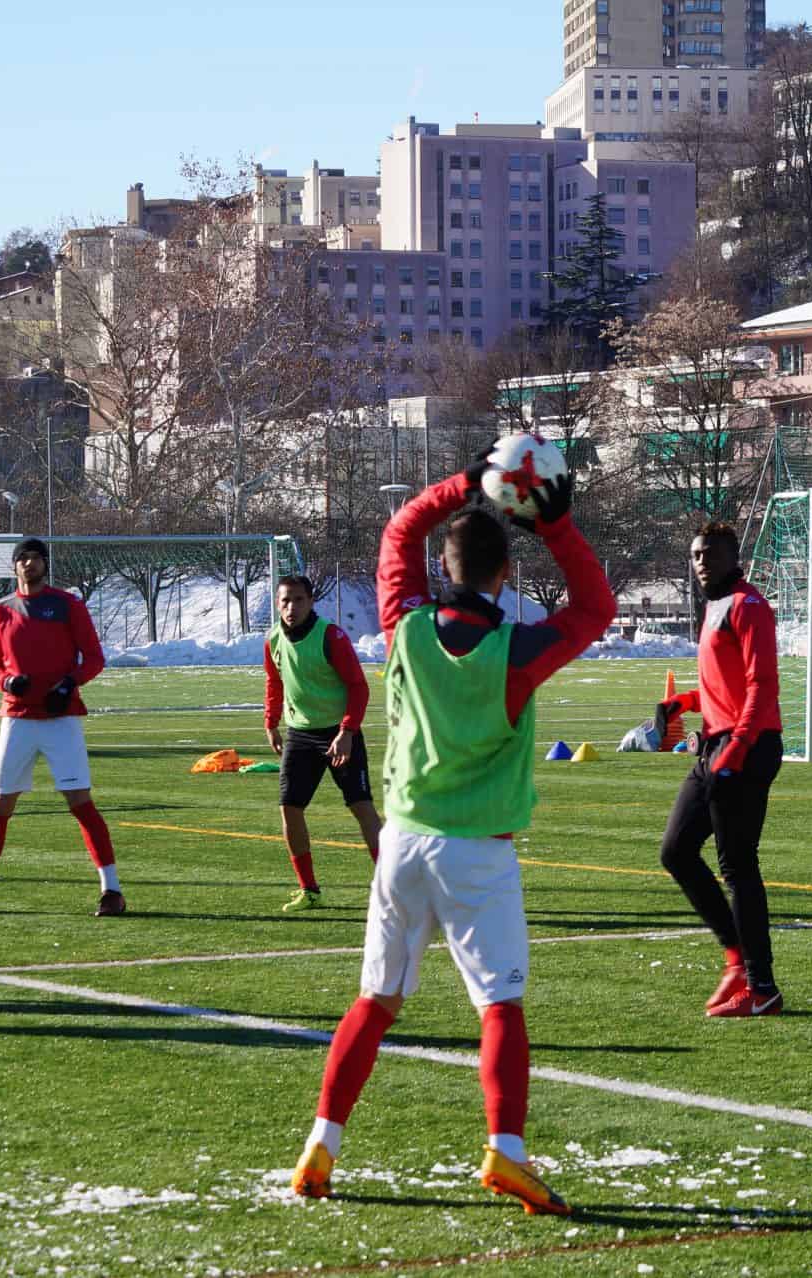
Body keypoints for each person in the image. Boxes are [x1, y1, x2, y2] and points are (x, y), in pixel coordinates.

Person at [291, 454, 610, 1214]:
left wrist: (464, 484)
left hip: (401, 842)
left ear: (445, 563)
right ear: (505, 576)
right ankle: (506, 1152)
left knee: (375, 1000)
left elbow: (398, 532)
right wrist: (556, 525)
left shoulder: (403, 626)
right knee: (500, 1007)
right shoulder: (516, 651)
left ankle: (321, 1145)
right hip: (477, 852)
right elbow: (596, 609)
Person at [654, 522, 787, 1018]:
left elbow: (761, 686)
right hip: (718, 743)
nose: (701, 562)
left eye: (710, 553)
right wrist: (683, 701)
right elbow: (724, 687)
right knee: (676, 851)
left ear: (734, 558)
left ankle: (763, 987)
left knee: (737, 866)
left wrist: (738, 747)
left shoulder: (749, 606)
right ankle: (736, 956)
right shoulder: (715, 607)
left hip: (745, 748)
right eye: (694, 554)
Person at [0, 537, 122, 917]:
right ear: (13, 566)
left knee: (80, 802)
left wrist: (69, 683)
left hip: (60, 719)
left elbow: (95, 657)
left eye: (35, 558)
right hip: (17, 719)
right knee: (0, 805)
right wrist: (5, 683)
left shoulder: (67, 605)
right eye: (23, 559)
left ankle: (111, 890)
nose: (29, 564)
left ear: (46, 564)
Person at [264, 574, 381, 912]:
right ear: (277, 603)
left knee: (362, 808)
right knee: (290, 809)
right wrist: (270, 722)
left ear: (311, 601)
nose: (291, 607)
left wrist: (347, 732)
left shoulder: (331, 636)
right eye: (285, 600)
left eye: (298, 600)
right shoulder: (272, 639)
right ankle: (310, 889)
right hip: (300, 735)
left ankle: (395, 887)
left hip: (339, 733)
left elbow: (359, 687)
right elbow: (274, 682)